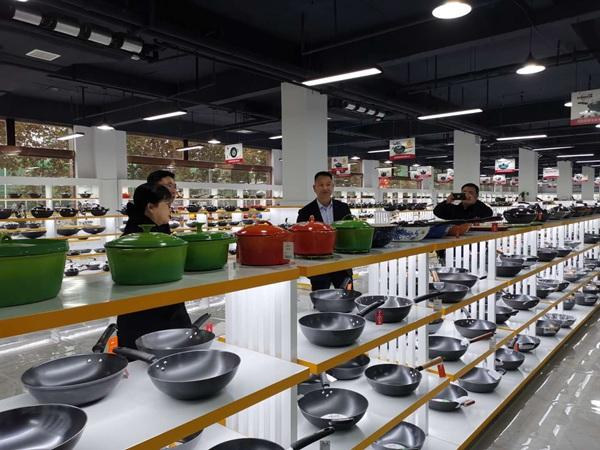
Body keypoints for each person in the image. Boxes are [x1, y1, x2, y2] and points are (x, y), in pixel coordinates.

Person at [116, 183, 192, 349]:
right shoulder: (140, 236)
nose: (170, 210)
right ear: (151, 207)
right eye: (167, 205)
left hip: (148, 315)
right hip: (152, 318)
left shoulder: (151, 229)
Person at [297, 171, 352, 291]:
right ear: (314, 188)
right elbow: (300, 240)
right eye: (321, 185)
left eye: (328, 184)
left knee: (347, 296)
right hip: (318, 265)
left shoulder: (343, 208)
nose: (325, 188)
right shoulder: (305, 212)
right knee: (320, 298)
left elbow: (349, 233)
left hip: (342, 263)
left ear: (333, 186)